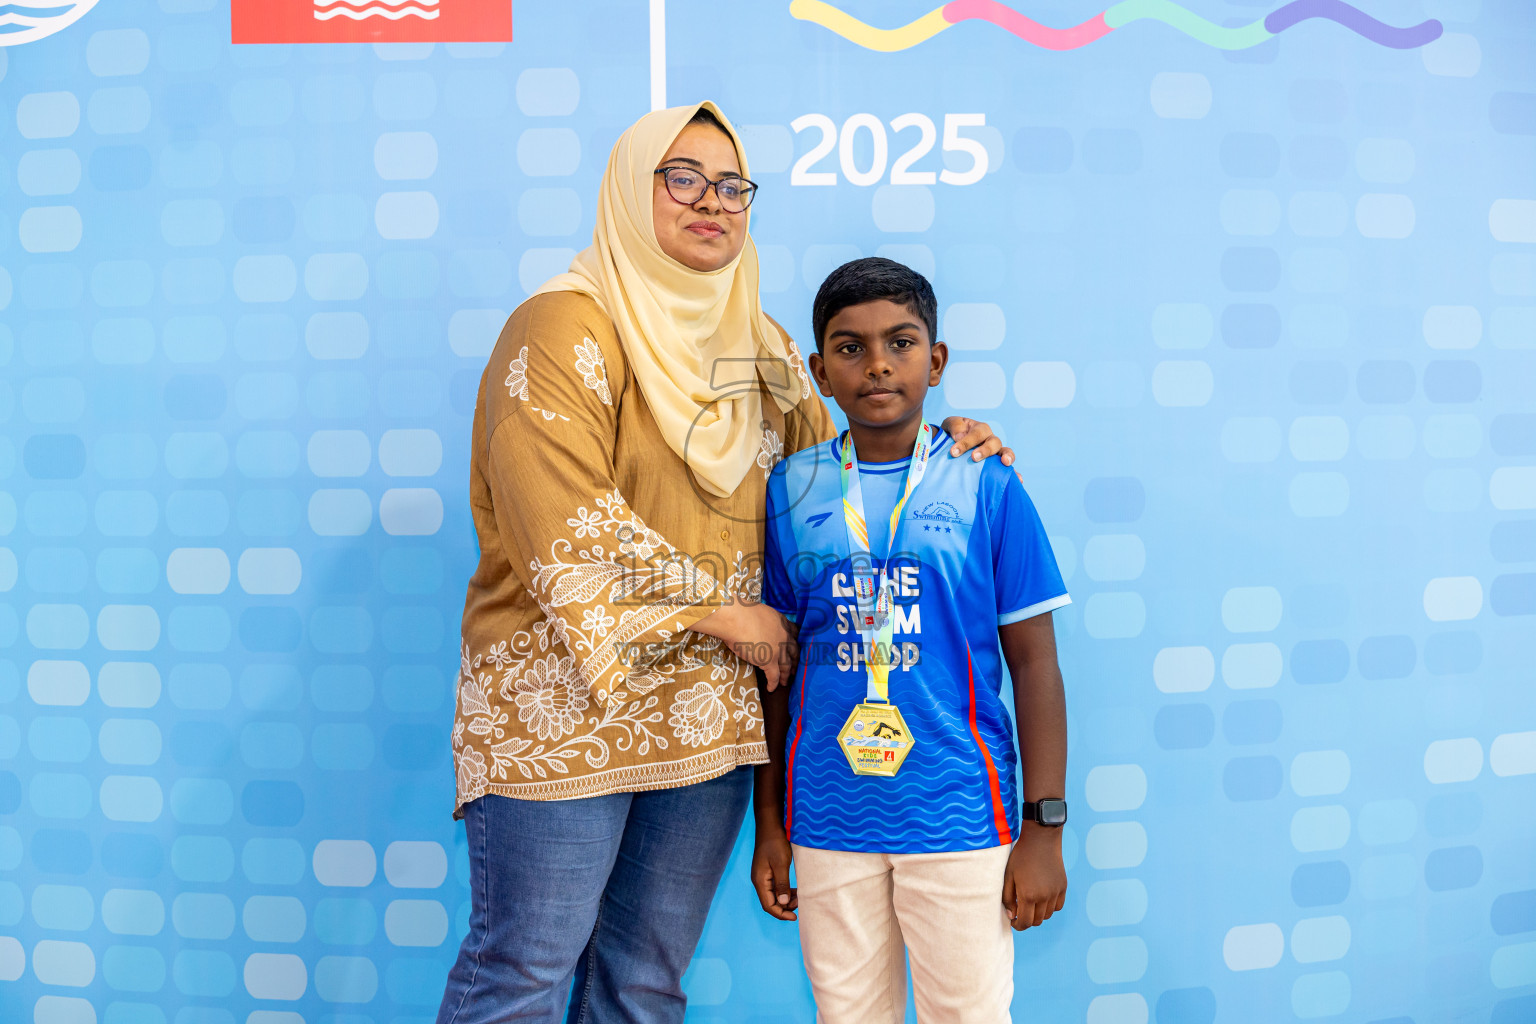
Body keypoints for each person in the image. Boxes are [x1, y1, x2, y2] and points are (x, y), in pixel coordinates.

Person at [438, 105, 1012, 1024]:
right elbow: (559, 517)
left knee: (644, 978)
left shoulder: (771, 352)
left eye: (732, 184)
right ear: (633, 190)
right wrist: (722, 612)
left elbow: (840, 490)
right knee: (527, 969)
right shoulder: (559, 329)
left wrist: (952, 448)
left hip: (709, 720)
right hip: (562, 715)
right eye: (682, 178)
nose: (713, 201)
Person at [752, 258, 1072, 1023]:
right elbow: (776, 672)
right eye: (850, 347)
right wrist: (770, 824)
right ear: (819, 371)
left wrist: (1044, 826)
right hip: (829, 816)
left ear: (935, 361)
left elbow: (1035, 664)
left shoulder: (985, 480)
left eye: (900, 342)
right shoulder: (791, 489)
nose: (878, 364)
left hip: (959, 812)